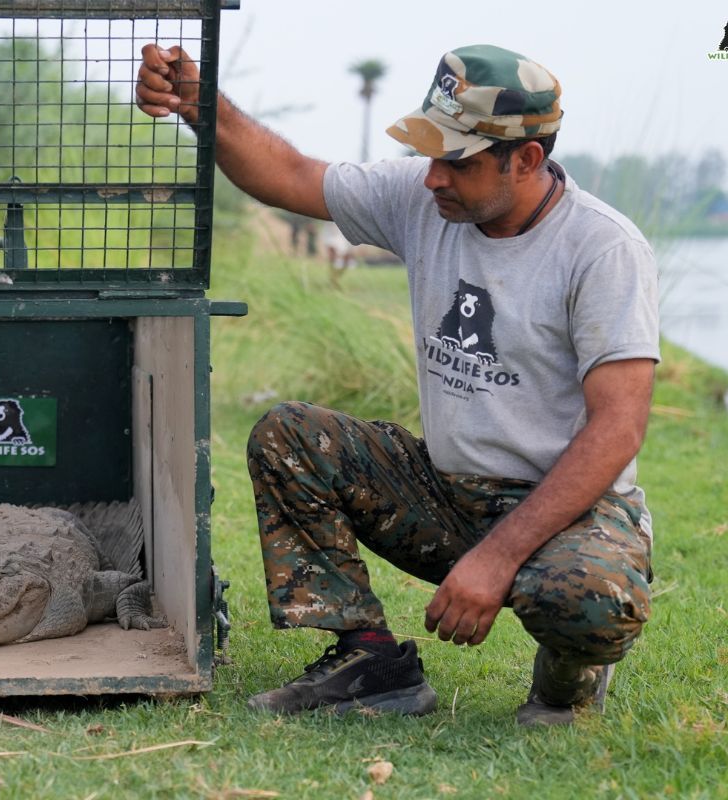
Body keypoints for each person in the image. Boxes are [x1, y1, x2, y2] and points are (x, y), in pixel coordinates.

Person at [137, 44, 656, 725]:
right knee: (290, 437)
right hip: (447, 492)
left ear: (525, 160)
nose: (433, 177)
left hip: (566, 509)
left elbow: (617, 427)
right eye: (431, 153)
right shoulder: (427, 200)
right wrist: (200, 108)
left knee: (590, 596)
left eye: (457, 160)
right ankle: (370, 662)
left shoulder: (602, 249)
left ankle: (568, 684)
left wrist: (498, 558)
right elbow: (290, 174)